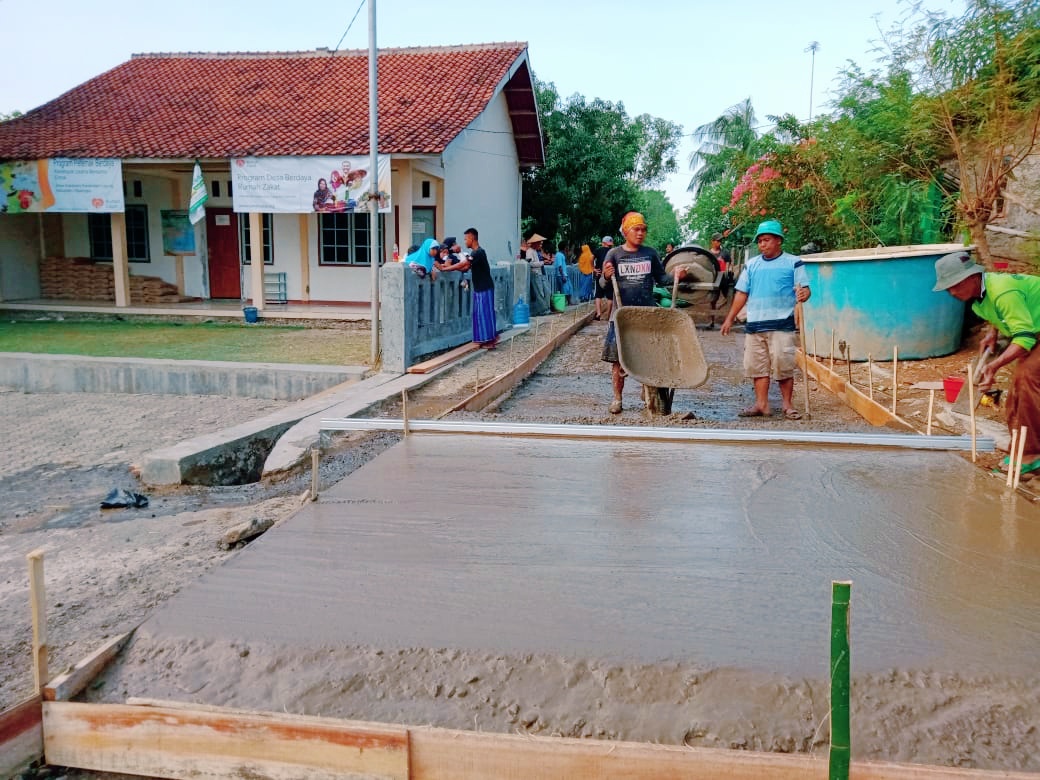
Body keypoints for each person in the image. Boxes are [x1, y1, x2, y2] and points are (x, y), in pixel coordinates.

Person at [932, 251, 1040, 474]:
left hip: (1033, 333)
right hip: (1033, 330)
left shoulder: (1002, 291)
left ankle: (1030, 454)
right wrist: (994, 333)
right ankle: (1021, 447)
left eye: (955, 285)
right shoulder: (979, 300)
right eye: (948, 287)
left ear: (972, 278)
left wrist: (994, 366)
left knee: (1028, 378)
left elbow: (1025, 337)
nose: (951, 292)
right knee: (1017, 393)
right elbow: (1000, 315)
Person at [720, 219, 811, 421]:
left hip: (782, 325)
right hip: (755, 325)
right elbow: (741, 293)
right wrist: (730, 318)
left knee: (783, 364)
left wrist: (804, 294)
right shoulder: (751, 265)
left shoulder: (793, 262)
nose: (762, 244)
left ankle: (787, 406)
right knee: (757, 366)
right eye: (760, 241)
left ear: (778, 240)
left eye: (766, 240)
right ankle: (762, 404)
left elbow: (804, 289)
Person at [601, 211, 688, 415]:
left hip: (646, 315)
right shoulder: (614, 254)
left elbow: (662, 279)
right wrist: (605, 276)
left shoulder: (650, 253)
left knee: (647, 357)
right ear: (626, 232)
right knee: (618, 360)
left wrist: (677, 275)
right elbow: (604, 285)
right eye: (636, 229)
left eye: (643, 230)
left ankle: (646, 390)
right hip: (621, 316)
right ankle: (617, 398)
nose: (640, 233)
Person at [464, 227, 498, 349]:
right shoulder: (476, 253)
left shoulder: (478, 252)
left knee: (485, 313)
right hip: (480, 287)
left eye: (466, 238)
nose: (465, 241)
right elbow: (466, 266)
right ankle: (487, 338)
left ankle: (489, 340)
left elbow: (465, 265)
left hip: (484, 287)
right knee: (480, 313)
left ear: (472, 238)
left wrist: (445, 268)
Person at [526, 233, 551, 316]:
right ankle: (543, 309)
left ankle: (545, 308)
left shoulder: (535, 252)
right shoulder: (529, 252)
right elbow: (531, 264)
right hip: (535, 274)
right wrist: (543, 263)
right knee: (539, 293)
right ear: (535, 243)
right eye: (540, 243)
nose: (541, 245)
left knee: (546, 291)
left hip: (539, 274)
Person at [593, 235, 614, 320]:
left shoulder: (598, 251)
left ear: (603, 243)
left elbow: (591, 258)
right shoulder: (613, 251)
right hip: (610, 276)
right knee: (610, 296)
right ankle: (608, 315)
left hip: (600, 275)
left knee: (598, 295)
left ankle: (598, 313)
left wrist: (593, 269)